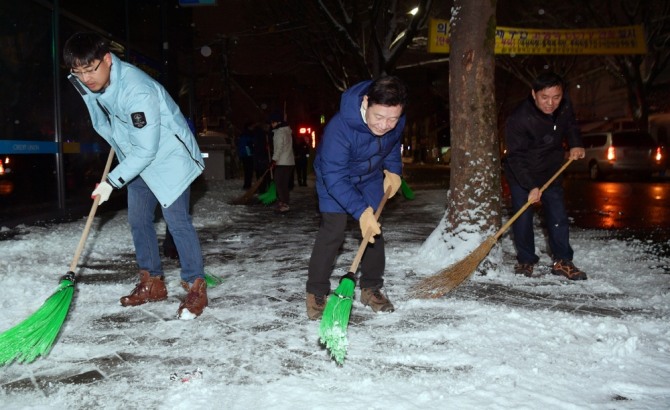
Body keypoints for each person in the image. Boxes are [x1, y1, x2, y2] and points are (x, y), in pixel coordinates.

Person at [63, 32, 209, 319]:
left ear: (107, 59)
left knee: (177, 221)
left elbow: (148, 149)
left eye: (90, 70)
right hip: (136, 156)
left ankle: (196, 286)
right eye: (77, 72)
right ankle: (152, 282)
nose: (86, 78)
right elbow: (103, 118)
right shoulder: (91, 84)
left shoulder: (136, 89)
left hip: (168, 160)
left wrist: (111, 182)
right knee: (138, 219)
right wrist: (115, 136)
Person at [305, 76, 406, 320]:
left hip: (370, 177)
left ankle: (371, 287)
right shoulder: (339, 129)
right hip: (336, 179)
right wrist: (361, 211)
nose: (384, 125)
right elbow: (335, 177)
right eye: (379, 117)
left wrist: (393, 171)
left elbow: (392, 145)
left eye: (392, 119)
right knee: (333, 231)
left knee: (374, 230)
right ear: (365, 102)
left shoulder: (396, 120)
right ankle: (316, 292)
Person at [504, 71, 587, 280]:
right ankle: (526, 260)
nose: (551, 103)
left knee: (558, 216)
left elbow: (570, 125)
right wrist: (531, 186)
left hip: (551, 170)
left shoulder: (565, 106)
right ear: (534, 94)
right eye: (545, 97)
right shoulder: (519, 118)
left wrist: (575, 143)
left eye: (556, 97)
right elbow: (515, 157)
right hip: (522, 173)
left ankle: (562, 261)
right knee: (522, 218)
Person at [269, 112, 295, 213]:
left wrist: (273, 160)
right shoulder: (287, 131)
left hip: (282, 162)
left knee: (279, 183)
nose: (271, 124)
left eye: (272, 122)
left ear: (277, 122)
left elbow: (279, 148)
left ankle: (284, 203)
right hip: (289, 161)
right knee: (283, 183)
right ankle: (284, 201)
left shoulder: (279, 133)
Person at [237, 122, 255, 189]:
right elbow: (248, 145)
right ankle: (248, 185)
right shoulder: (249, 135)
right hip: (248, 155)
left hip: (244, 155)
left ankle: (247, 184)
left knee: (247, 171)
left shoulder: (243, 135)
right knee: (249, 171)